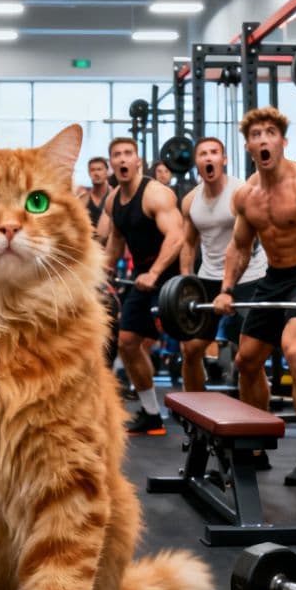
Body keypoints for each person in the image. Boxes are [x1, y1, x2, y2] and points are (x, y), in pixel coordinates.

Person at [213, 106, 296, 486]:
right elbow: (240, 247)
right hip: (274, 277)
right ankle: (255, 448)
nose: (263, 140)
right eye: (256, 135)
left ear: (283, 141)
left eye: (270, 133)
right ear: (248, 145)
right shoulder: (247, 195)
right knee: (246, 361)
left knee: (295, 349)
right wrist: (227, 289)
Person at [99, 137, 184, 435]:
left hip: (173, 276)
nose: (122, 159)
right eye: (117, 155)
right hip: (143, 277)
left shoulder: (156, 194)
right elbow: (115, 241)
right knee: (127, 342)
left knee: (191, 346)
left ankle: (200, 413)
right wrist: (102, 271)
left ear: (138, 161)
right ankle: (151, 414)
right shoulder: (113, 201)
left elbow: (176, 236)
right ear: (112, 163)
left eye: (128, 154)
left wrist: (156, 273)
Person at [180, 136, 267, 393]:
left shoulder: (240, 193)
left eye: (214, 152)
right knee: (191, 349)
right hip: (208, 278)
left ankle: (255, 415)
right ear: (196, 162)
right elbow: (188, 244)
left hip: (249, 277)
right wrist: (186, 282)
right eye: (203, 154)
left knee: (248, 356)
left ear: (224, 159)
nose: (208, 157)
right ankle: (195, 412)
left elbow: (247, 242)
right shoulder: (190, 201)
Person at [76, 156, 111, 242]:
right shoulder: (84, 197)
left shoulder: (114, 195)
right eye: (92, 170)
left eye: (99, 169)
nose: (96, 173)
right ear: (89, 173)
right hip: (89, 244)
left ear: (107, 172)